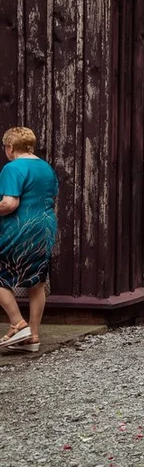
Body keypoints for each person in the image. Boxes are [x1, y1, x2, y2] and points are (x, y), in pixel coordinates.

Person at [0, 128, 59, 354]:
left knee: (1, 274)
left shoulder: (12, 168)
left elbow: (9, 203)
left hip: (19, 228)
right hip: (45, 226)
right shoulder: (46, 168)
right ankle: (33, 337)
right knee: (37, 281)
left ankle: (18, 323)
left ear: (10, 147)